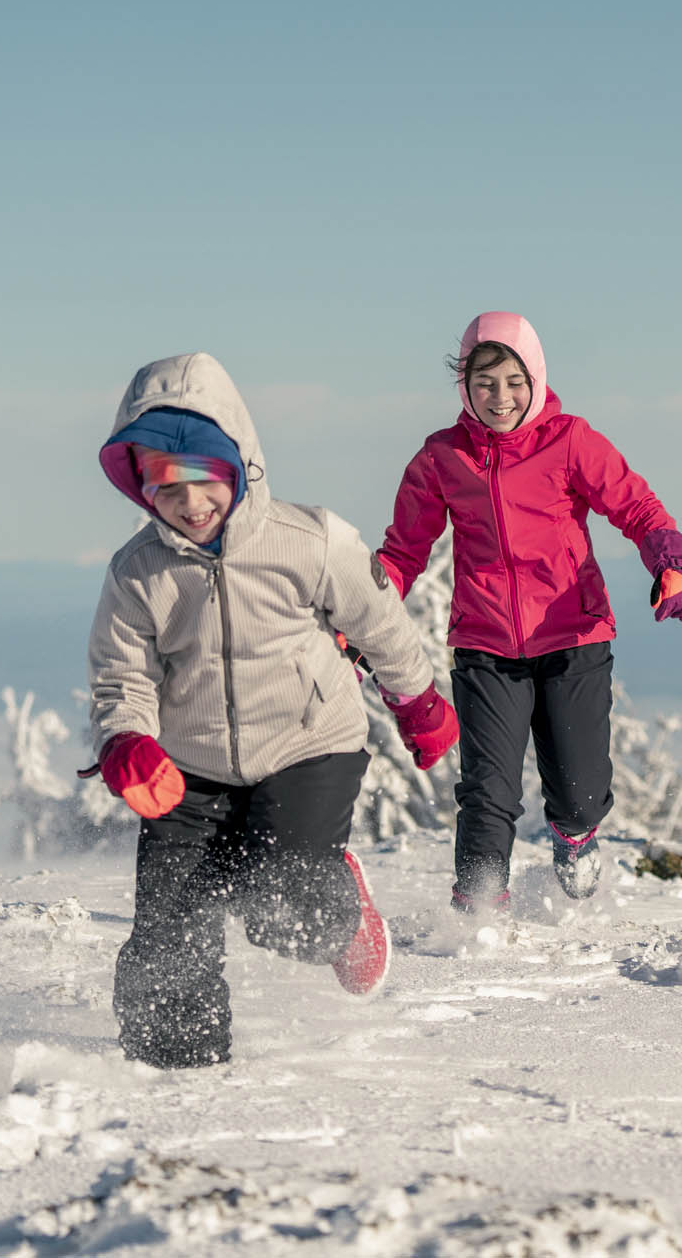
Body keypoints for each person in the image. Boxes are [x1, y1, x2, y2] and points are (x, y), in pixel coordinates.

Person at [89, 352, 458, 1069]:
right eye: (167, 488)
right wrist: (127, 739)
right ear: (140, 487)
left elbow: (378, 619)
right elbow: (122, 672)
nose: (192, 504)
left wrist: (415, 701)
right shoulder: (138, 574)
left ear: (237, 466)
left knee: (281, 904)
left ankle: (341, 916)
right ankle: (177, 1071)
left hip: (307, 745)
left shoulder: (308, 539)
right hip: (189, 766)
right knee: (169, 928)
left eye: (206, 481)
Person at [377, 311, 682, 914]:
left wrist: (673, 565)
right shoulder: (443, 457)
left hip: (573, 637)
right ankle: (477, 908)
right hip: (486, 645)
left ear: (535, 378)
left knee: (578, 794)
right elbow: (403, 551)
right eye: (485, 382)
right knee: (487, 791)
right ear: (464, 387)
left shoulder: (571, 440)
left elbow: (640, 509)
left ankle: (575, 837)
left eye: (512, 381)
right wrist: (359, 616)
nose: (500, 396)